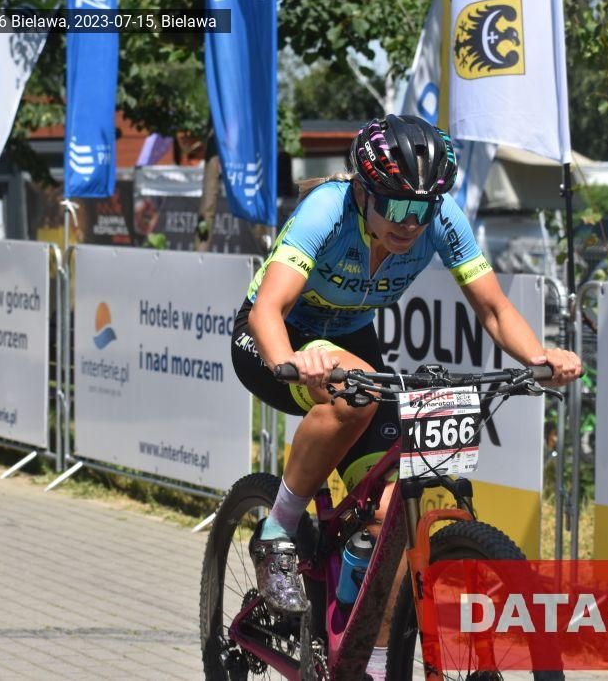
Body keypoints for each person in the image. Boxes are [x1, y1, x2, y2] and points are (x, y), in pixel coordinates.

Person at [230, 114, 582, 676]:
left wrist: (538, 358)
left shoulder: (439, 217)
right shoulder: (327, 210)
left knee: (391, 512)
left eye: (421, 209)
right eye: (395, 207)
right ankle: (278, 531)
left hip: (349, 336)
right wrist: (290, 363)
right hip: (275, 337)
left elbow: (493, 309)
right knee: (355, 395)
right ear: (364, 191)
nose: (410, 223)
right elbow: (267, 309)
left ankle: (366, 656)